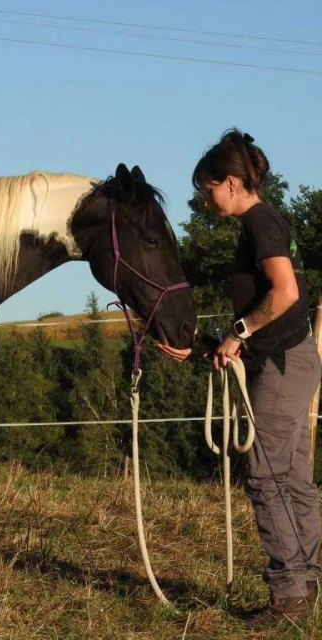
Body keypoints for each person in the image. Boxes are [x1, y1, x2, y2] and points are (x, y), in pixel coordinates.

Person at [156, 128, 322, 625]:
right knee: (292, 477)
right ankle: (305, 582)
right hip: (289, 360)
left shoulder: (260, 224)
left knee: (266, 477)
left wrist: (241, 332)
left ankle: (289, 595)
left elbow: (285, 292)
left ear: (230, 182)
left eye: (207, 190)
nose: (204, 200)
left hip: (280, 363)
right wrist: (210, 347)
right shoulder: (267, 222)